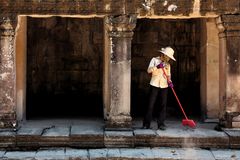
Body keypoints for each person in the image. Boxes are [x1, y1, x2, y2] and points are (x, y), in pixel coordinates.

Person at [142, 46, 176, 130]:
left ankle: (161, 124)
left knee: (163, 105)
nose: (168, 59)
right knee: (150, 104)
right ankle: (146, 123)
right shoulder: (154, 60)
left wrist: (170, 81)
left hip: (164, 85)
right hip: (154, 84)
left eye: (169, 57)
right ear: (163, 55)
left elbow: (168, 75)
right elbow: (149, 70)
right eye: (168, 56)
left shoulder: (168, 64)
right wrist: (157, 67)